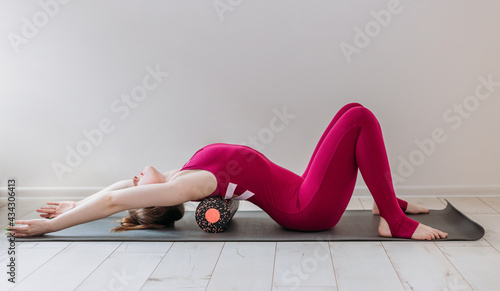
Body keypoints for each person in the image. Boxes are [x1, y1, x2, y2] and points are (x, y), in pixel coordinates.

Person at [10, 103, 448, 240]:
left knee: (349, 111)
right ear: (156, 199)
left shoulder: (180, 173)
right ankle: (395, 220)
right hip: (308, 210)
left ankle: (385, 202)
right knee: (362, 119)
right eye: (136, 186)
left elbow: (113, 193)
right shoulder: (189, 184)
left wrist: (74, 202)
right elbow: (115, 199)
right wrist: (57, 226)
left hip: (303, 189)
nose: (132, 177)